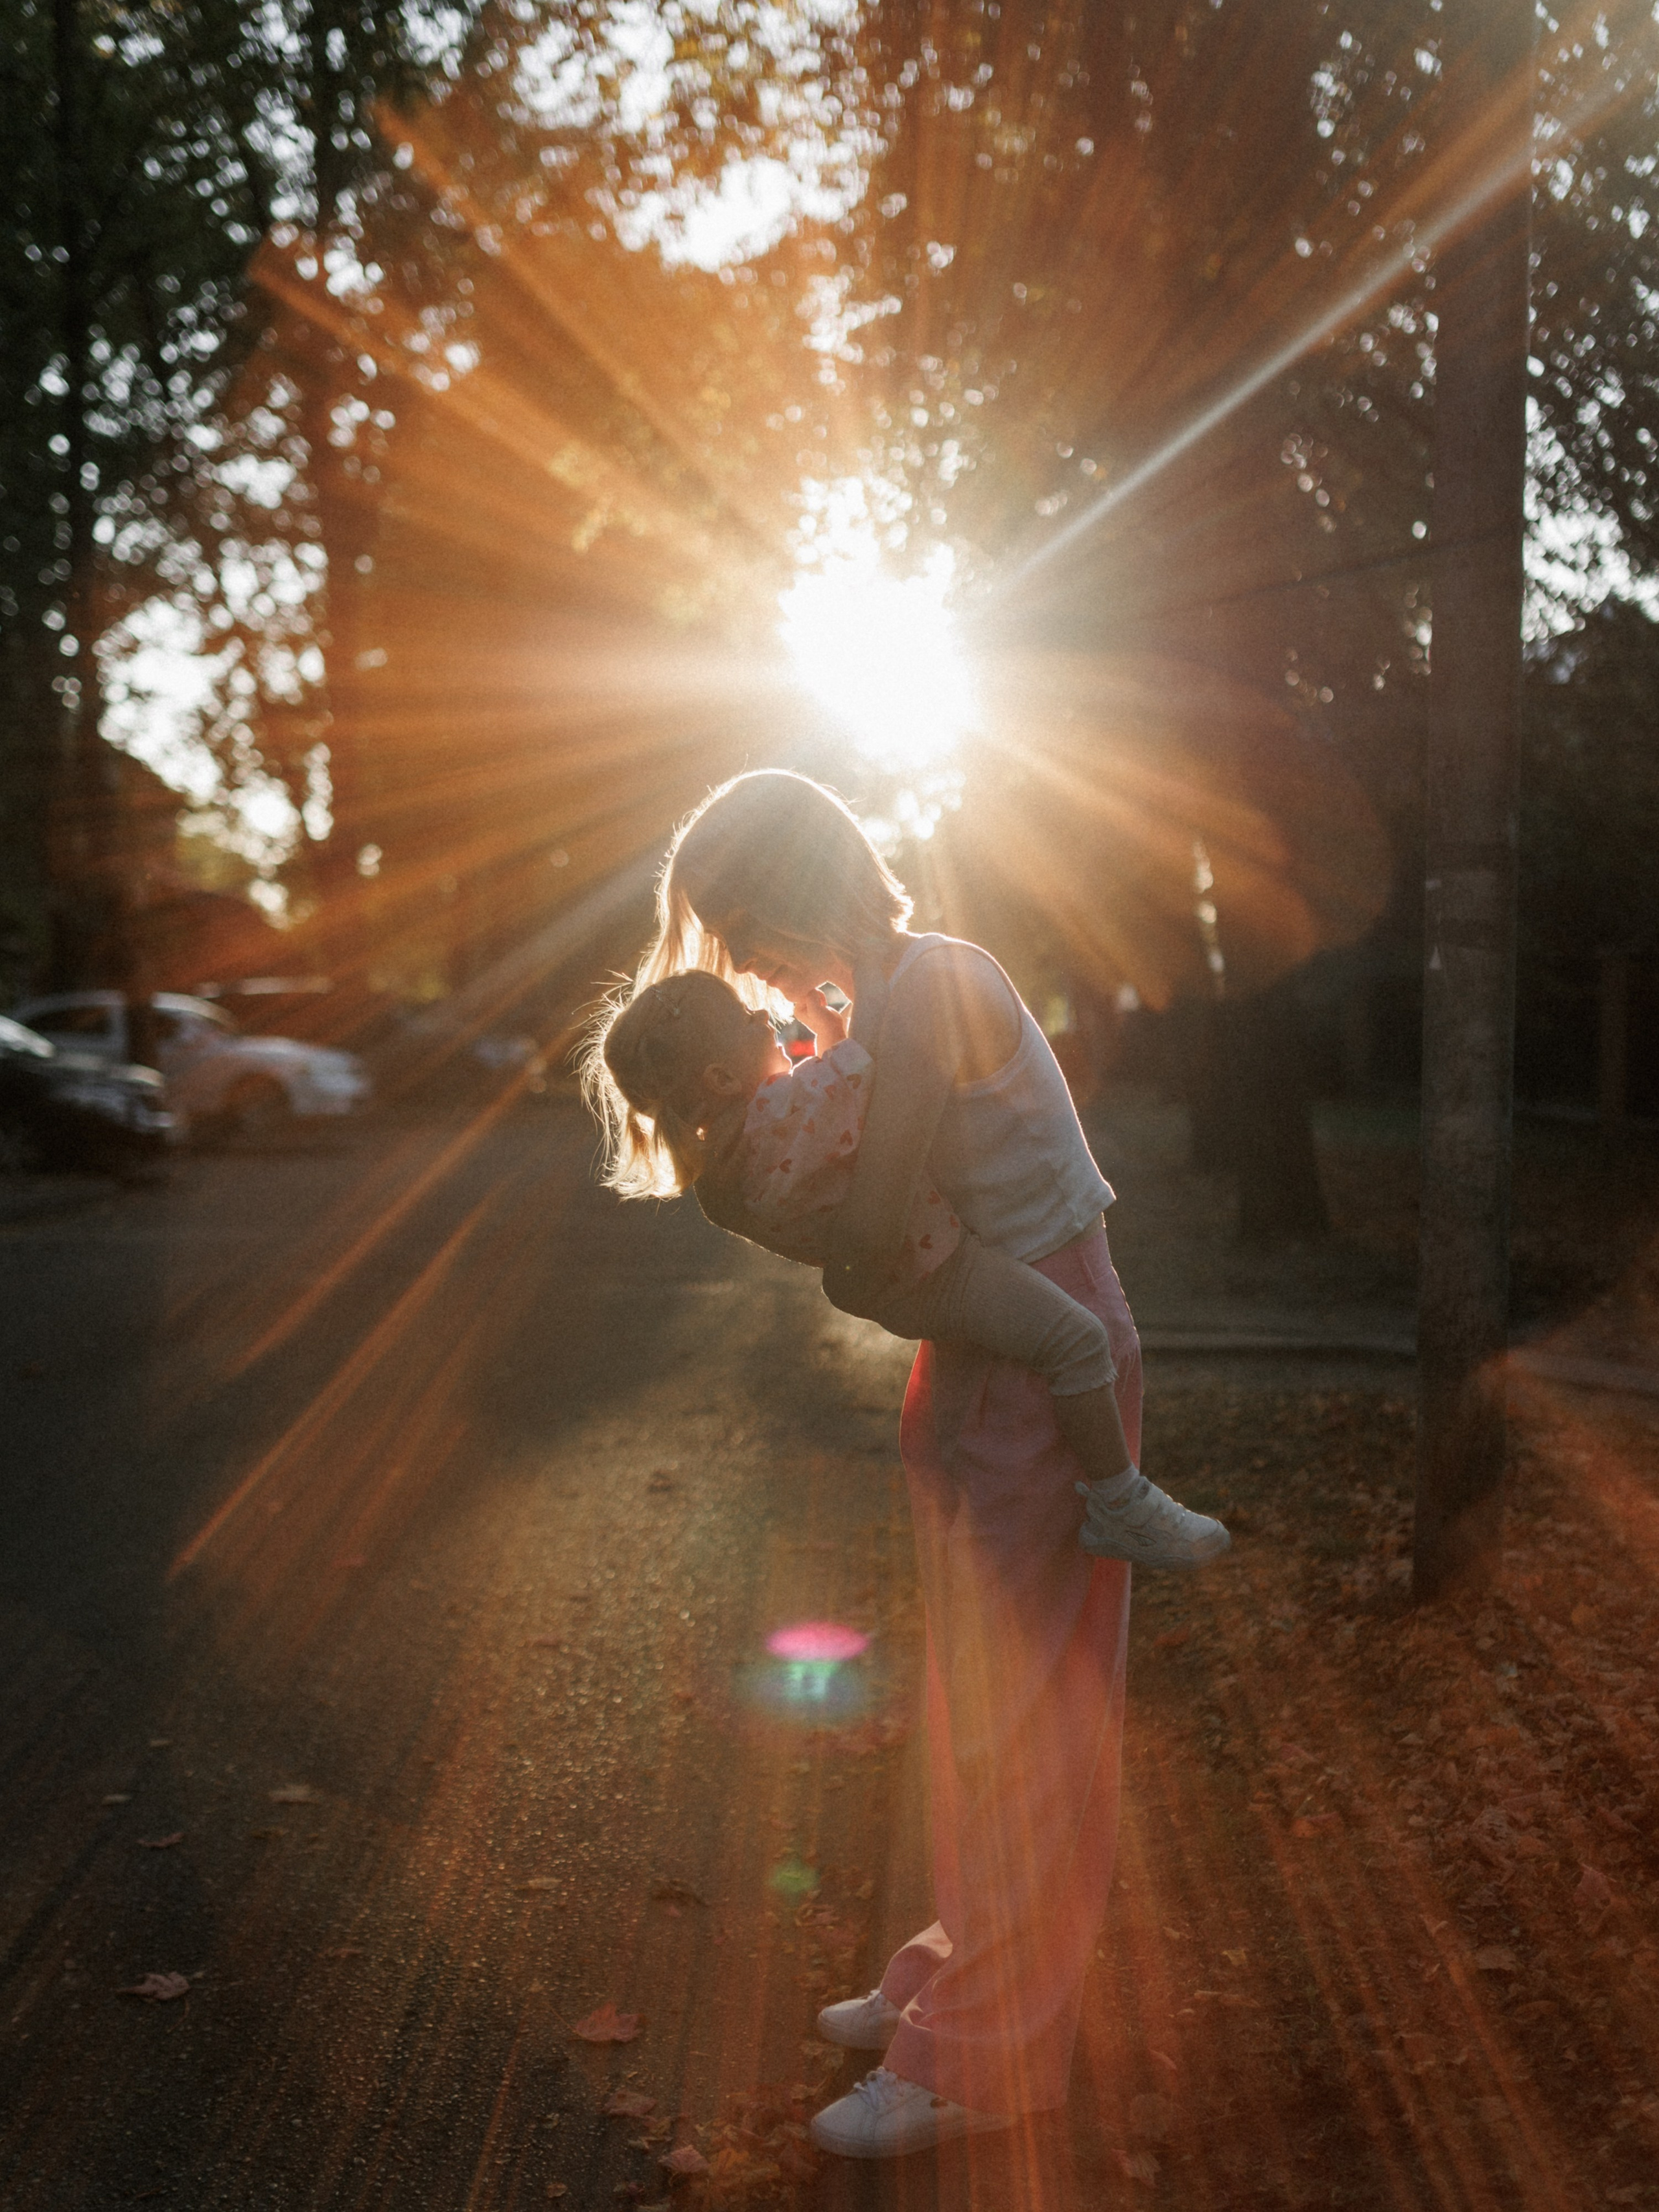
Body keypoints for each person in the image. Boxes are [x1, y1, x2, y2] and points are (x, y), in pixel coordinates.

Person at [604, 769, 1225, 2157]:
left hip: (1039, 1338)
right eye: (725, 927)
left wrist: (807, 1228)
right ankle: (948, 1979)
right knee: (974, 1712)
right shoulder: (854, 1011)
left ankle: (979, 2059)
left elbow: (873, 1223)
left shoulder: (924, 986)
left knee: (1029, 1725)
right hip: (972, 1363)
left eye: (747, 913)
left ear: (805, 875)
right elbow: (851, 1225)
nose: (744, 954)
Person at [587, 962, 1231, 1554]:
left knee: (982, 1372)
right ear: (721, 1079)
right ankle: (1120, 1499)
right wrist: (838, 1017)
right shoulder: (782, 1115)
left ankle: (986, 1475)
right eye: (744, 1017)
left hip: (903, 1284)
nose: (764, 1017)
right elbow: (874, 1074)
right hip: (940, 1269)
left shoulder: (720, 1177)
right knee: (1077, 1340)